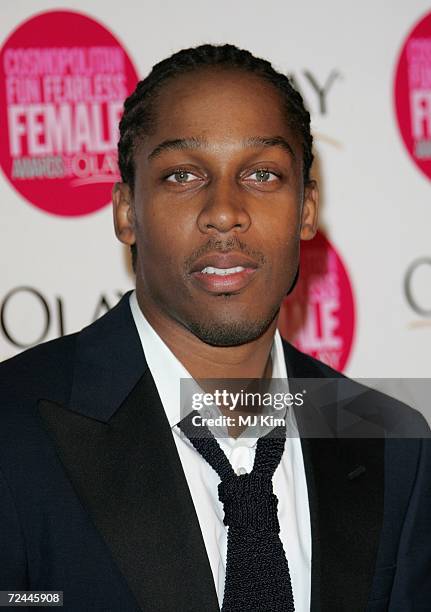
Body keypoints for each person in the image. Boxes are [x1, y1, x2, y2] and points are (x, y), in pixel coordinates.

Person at [0, 44, 430, 612]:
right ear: (126, 210)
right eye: (182, 175)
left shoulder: (390, 439)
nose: (224, 211)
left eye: (261, 174)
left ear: (306, 209)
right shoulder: (13, 427)